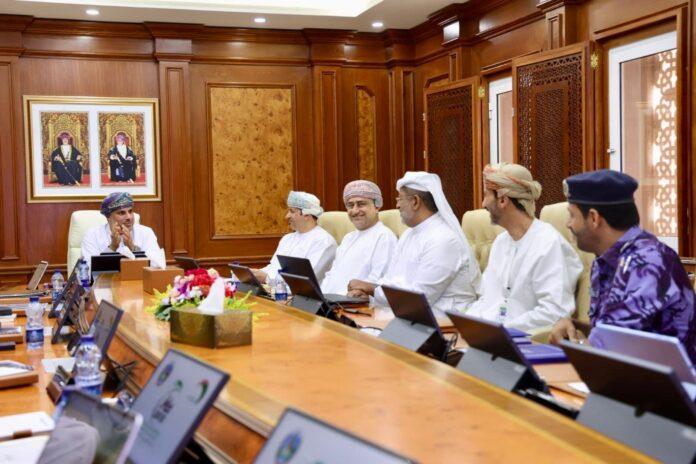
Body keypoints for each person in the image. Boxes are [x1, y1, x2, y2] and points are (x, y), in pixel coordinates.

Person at [549, 170, 696, 363]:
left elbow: (611, 348)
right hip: (632, 374)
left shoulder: (647, 261)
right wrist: (572, 326)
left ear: (593, 218)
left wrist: (574, 344)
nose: (568, 224)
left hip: (670, 380)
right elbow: (612, 331)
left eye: (572, 215)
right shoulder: (606, 260)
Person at [348, 171, 481, 322]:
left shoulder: (444, 239)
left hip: (442, 322)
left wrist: (372, 289)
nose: (397, 205)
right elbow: (390, 281)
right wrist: (369, 295)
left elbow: (421, 297)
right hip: (409, 317)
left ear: (415, 201)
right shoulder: (408, 235)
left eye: (400, 199)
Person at [465, 163, 582, 331]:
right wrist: (466, 324)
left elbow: (554, 313)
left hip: (528, 341)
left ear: (503, 200)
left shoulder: (548, 243)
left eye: (486, 195)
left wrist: (502, 330)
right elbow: (487, 300)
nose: (483, 204)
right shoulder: (501, 243)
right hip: (493, 337)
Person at [321, 180, 397, 295]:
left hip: (355, 304)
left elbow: (377, 283)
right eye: (350, 205)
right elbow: (331, 275)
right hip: (330, 302)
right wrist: (321, 296)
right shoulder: (348, 238)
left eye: (361, 204)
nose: (355, 210)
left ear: (377, 206)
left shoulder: (384, 237)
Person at [251, 191, 337, 283]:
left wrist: (267, 278)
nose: (287, 216)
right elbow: (273, 268)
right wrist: (254, 274)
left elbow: (304, 280)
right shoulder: (287, 239)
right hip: (275, 290)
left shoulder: (324, 242)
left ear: (307, 214)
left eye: (292, 211)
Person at [81, 192, 160, 265]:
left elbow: (156, 265)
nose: (129, 217)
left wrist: (133, 248)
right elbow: (88, 269)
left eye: (130, 211)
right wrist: (112, 248)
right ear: (108, 216)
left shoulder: (146, 233)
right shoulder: (92, 235)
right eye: (122, 213)